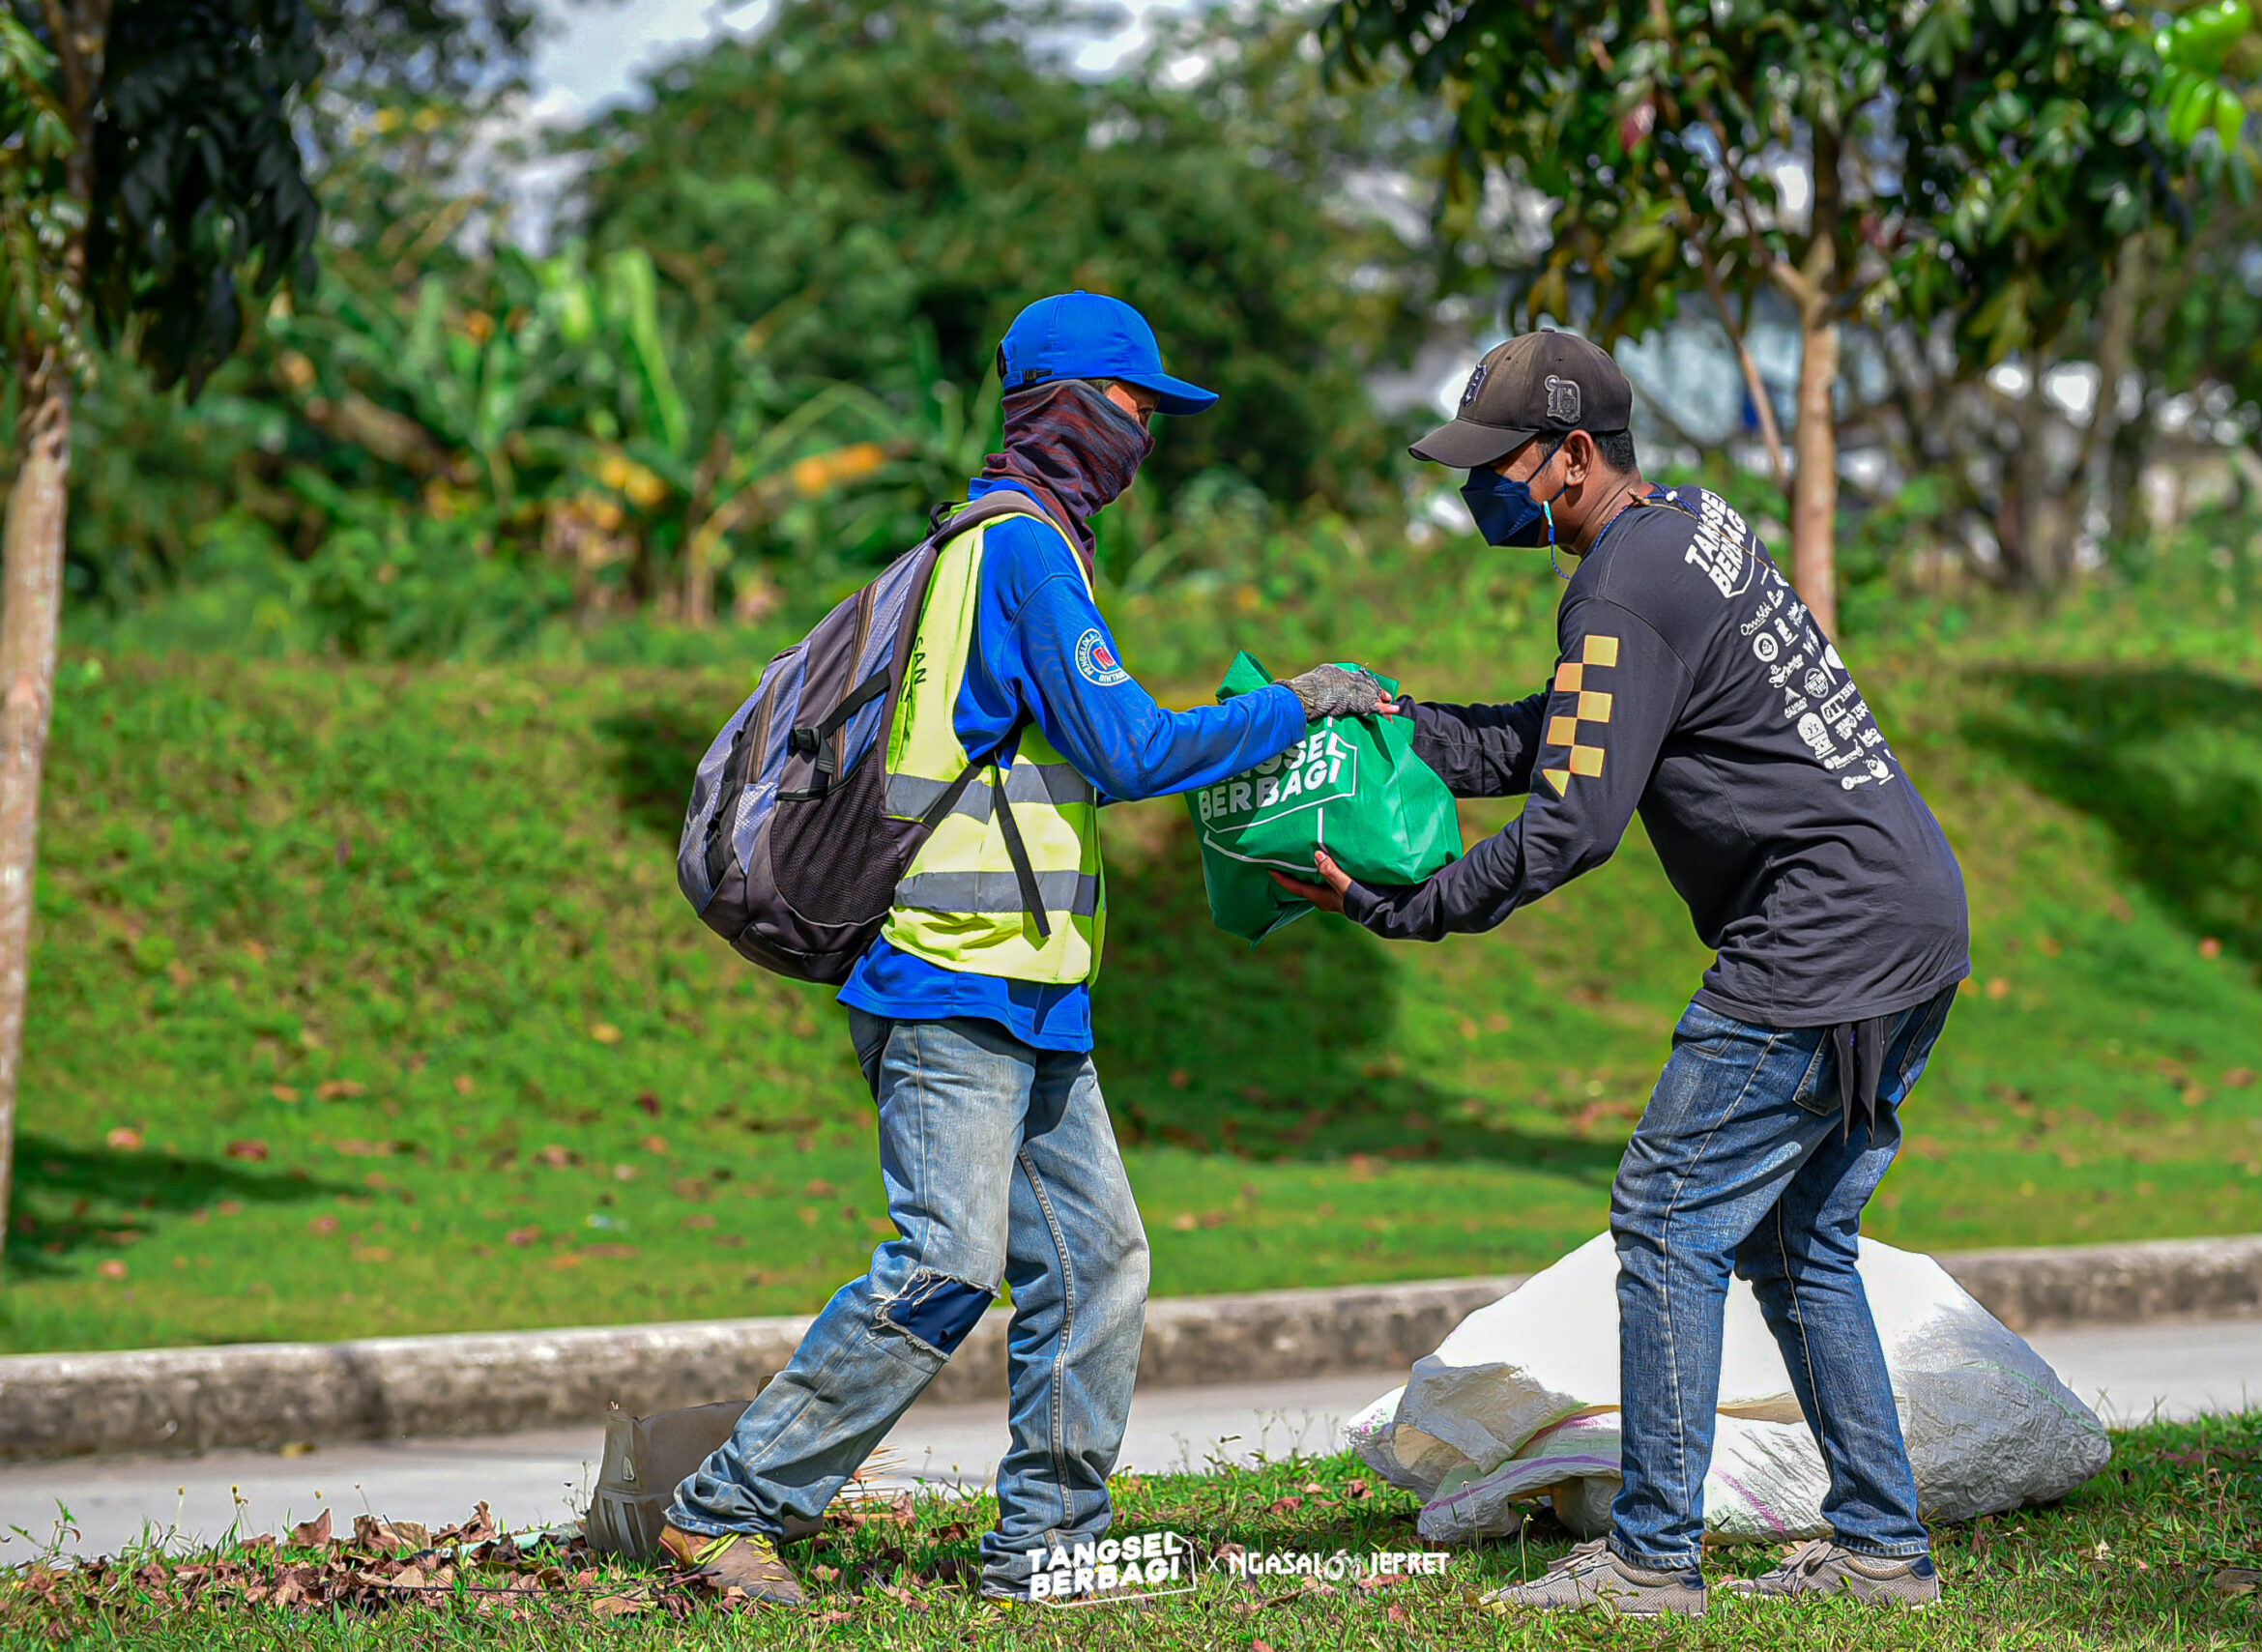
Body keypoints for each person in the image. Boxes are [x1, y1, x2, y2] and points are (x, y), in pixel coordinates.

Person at [658, 291, 1392, 1606]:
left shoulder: (1035, 543)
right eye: (1133, 405)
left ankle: (1049, 1540)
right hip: (948, 973)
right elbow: (1127, 751)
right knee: (945, 1259)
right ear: (1065, 406)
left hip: (1032, 984)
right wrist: (1298, 705)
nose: (1145, 433)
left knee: (1099, 1259)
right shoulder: (1019, 552)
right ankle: (727, 1508)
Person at [1275, 330, 1971, 1616]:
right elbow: (1574, 733)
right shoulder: (1688, 529)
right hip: (1909, 918)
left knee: (1664, 1219)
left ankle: (1653, 1560)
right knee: (1797, 1238)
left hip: (1817, 939)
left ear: (1575, 455)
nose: (1481, 489)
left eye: (1501, 464)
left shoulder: (1620, 585)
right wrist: (1399, 723)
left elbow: (1573, 824)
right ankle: (1883, 1551)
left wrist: (1409, 909)